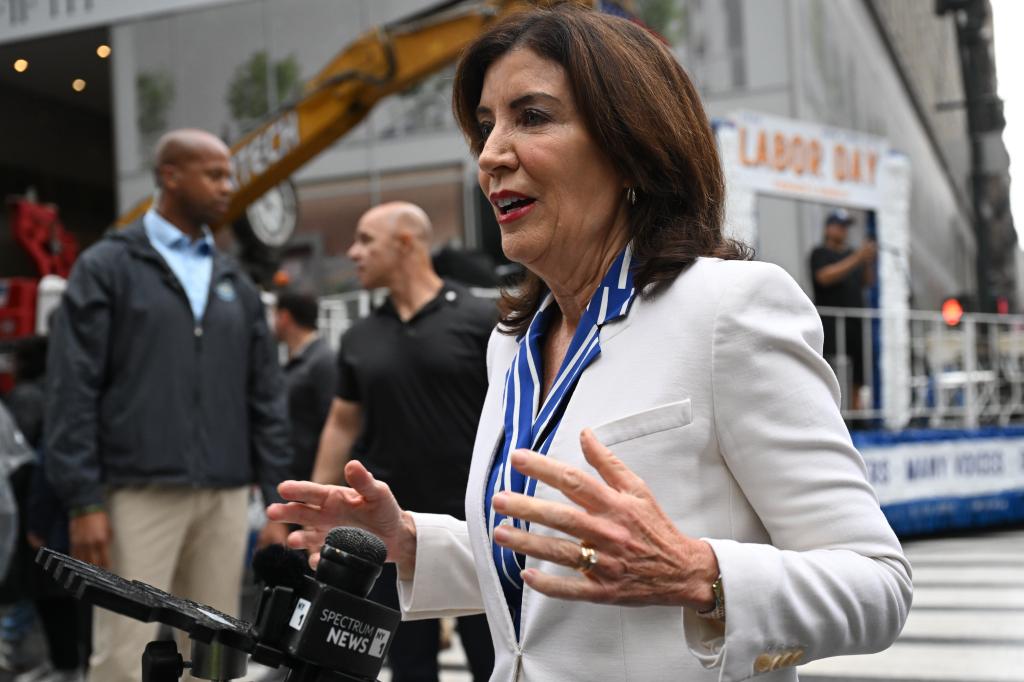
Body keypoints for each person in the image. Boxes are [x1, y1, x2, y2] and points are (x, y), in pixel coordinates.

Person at [269, 6, 912, 681]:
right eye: (487, 126)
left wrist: (701, 574)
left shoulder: (730, 309)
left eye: (533, 117)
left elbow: (878, 584)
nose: (491, 155)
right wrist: (407, 542)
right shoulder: (512, 343)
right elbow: (550, 552)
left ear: (630, 146)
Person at [45, 128, 292, 682]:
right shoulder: (108, 266)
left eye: (229, 175)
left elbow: (266, 397)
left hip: (225, 496)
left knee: (215, 653)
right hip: (137, 492)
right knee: (122, 652)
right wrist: (83, 500)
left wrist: (277, 500)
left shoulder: (236, 282)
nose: (228, 187)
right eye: (214, 175)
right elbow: (73, 387)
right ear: (169, 176)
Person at [308, 201, 496, 681]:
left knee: (493, 659)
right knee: (408, 668)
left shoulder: (483, 319)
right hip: (391, 532)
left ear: (406, 242)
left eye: (365, 240)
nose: (353, 252)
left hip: (477, 525)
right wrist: (314, 502)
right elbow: (342, 424)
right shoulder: (358, 337)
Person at [809, 208, 877, 410]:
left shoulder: (851, 254)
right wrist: (858, 257)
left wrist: (866, 262)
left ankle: (856, 415)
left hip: (854, 321)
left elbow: (866, 282)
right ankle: (830, 413)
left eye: (846, 227)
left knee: (858, 370)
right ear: (828, 228)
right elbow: (824, 277)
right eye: (839, 226)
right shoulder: (820, 253)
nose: (843, 231)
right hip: (831, 323)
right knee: (830, 368)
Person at [273, 289, 337, 483]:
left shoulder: (324, 362)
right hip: (293, 477)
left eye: (274, 315)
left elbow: (334, 426)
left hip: (311, 481)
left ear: (284, 317)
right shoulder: (298, 362)